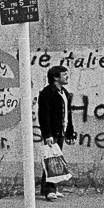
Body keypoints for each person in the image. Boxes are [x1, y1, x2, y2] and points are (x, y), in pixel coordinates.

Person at [37, 66, 76, 200]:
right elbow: (44, 115)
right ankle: (49, 190)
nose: (67, 76)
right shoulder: (47, 93)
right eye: (64, 74)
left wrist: (70, 133)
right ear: (55, 77)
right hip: (52, 132)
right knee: (51, 161)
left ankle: (50, 188)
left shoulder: (64, 92)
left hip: (61, 131)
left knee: (54, 160)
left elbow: (67, 115)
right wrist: (47, 134)